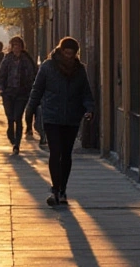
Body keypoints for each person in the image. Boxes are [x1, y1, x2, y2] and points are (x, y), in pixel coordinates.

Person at [26, 37, 96, 207]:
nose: (69, 56)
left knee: (66, 155)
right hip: (52, 116)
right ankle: (55, 189)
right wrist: (30, 108)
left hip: (72, 118)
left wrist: (89, 108)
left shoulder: (80, 70)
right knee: (55, 152)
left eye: (72, 54)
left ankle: (63, 189)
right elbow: (37, 88)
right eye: (66, 52)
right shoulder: (48, 67)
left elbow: (85, 92)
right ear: (60, 50)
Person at [0, 36, 36, 154]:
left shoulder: (26, 60)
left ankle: (17, 144)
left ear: (21, 47)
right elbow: (1, 74)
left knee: (18, 117)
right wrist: (0, 88)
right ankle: (10, 133)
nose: (16, 48)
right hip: (8, 93)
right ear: (11, 47)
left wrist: (30, 89)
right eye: (14, 45)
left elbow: (32, 75)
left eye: (18, 45)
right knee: (10, 117)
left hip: (21, 93)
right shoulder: (7, 59)